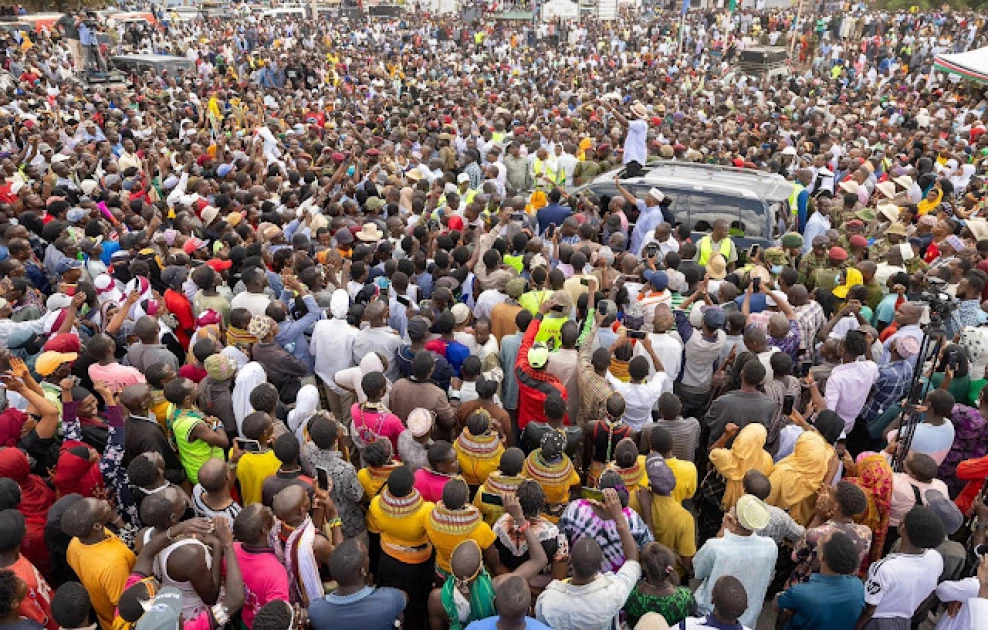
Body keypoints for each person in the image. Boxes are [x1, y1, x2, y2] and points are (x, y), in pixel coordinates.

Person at [535, 489, 641, 630]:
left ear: (571, 561)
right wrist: (618, 517)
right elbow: (633, 561)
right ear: (599, 567)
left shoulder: (548, 600)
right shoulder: (614, 593)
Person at [692, 495, 777, 629]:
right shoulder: (770, 546)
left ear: (735, 519)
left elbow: (698, 571)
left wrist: (722, 530)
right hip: (747, 619)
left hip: (711, 614)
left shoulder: (715, 546)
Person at [857, 506, 946, 630]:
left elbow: (870, 609)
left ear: (903, 528)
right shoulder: (935, 558)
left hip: (877, 622)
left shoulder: (885, 568)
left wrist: (858, 626)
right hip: (904, 621)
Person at [307, 539, 406, 630]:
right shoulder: (389, 599)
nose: (369, 559)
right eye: (367, 556)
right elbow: (404, 597)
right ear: (362, 571)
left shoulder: (315, 611)